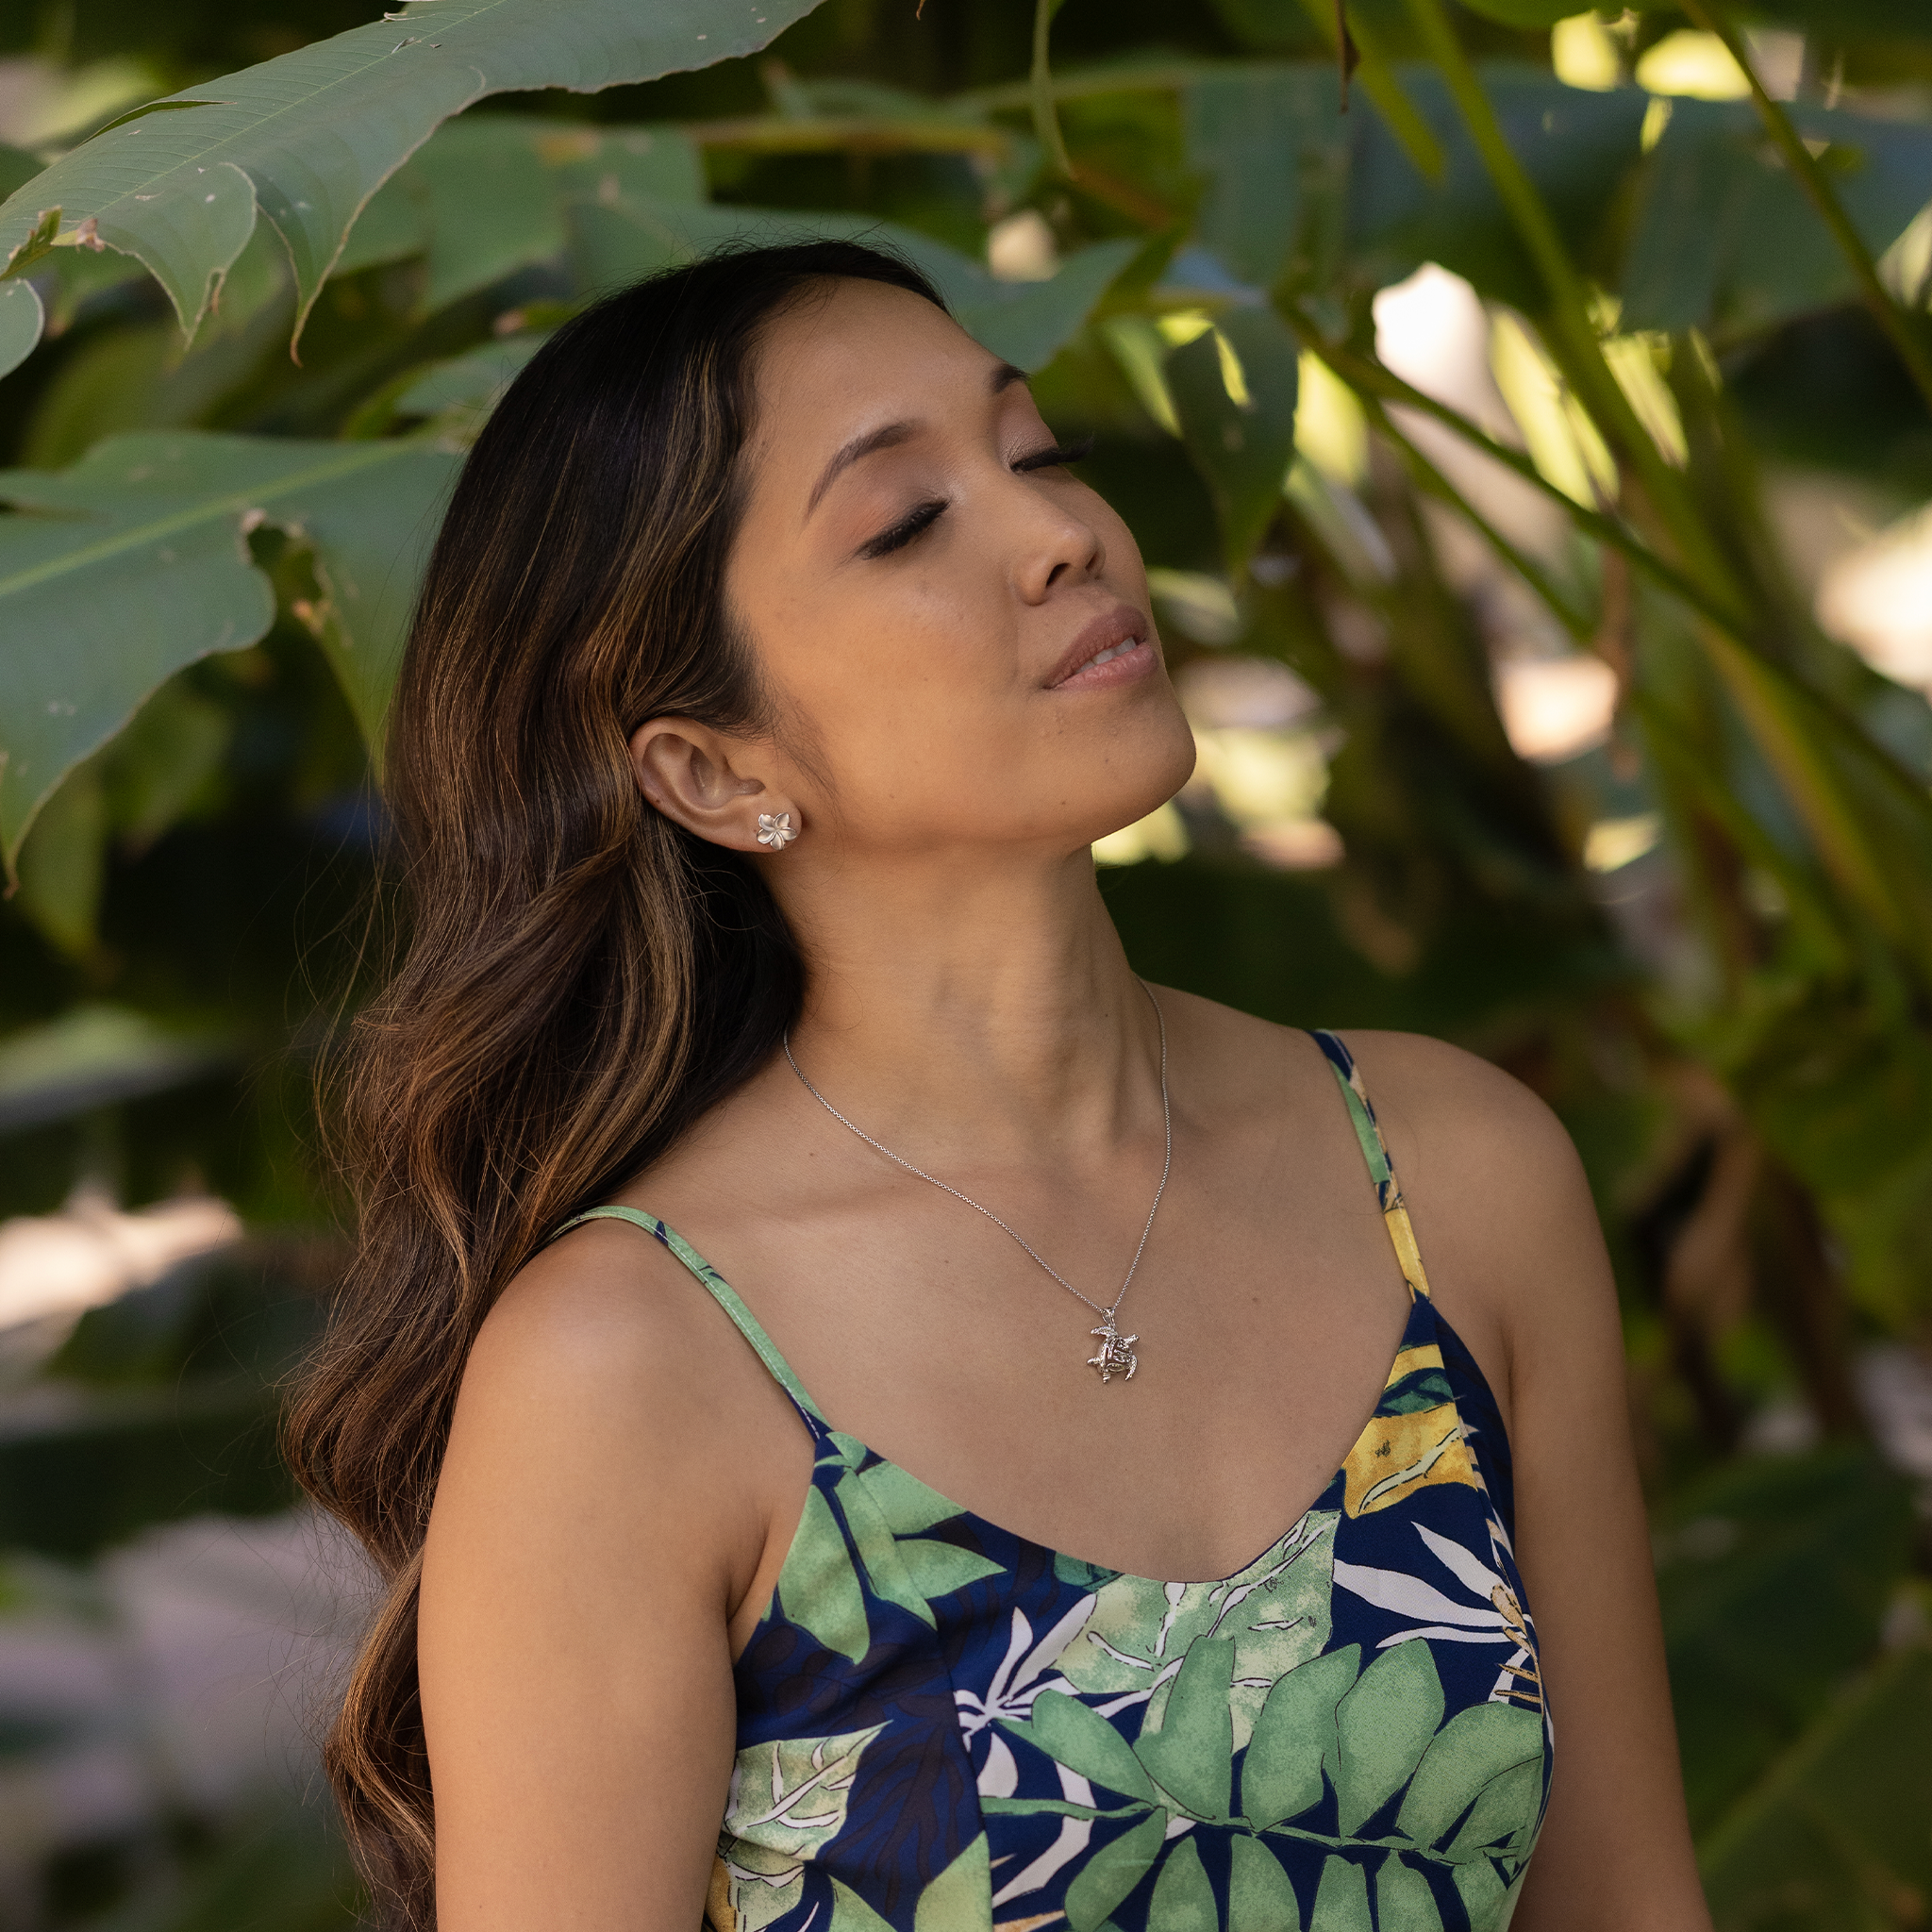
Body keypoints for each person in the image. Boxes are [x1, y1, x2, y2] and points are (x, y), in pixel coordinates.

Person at [287, 241, 1711, 1932]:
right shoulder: (634, 1368)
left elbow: (1629, 1906)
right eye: (904, 523)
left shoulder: (1457, 1174)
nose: (1063, 537)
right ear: (712, 765)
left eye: (1037, 456)